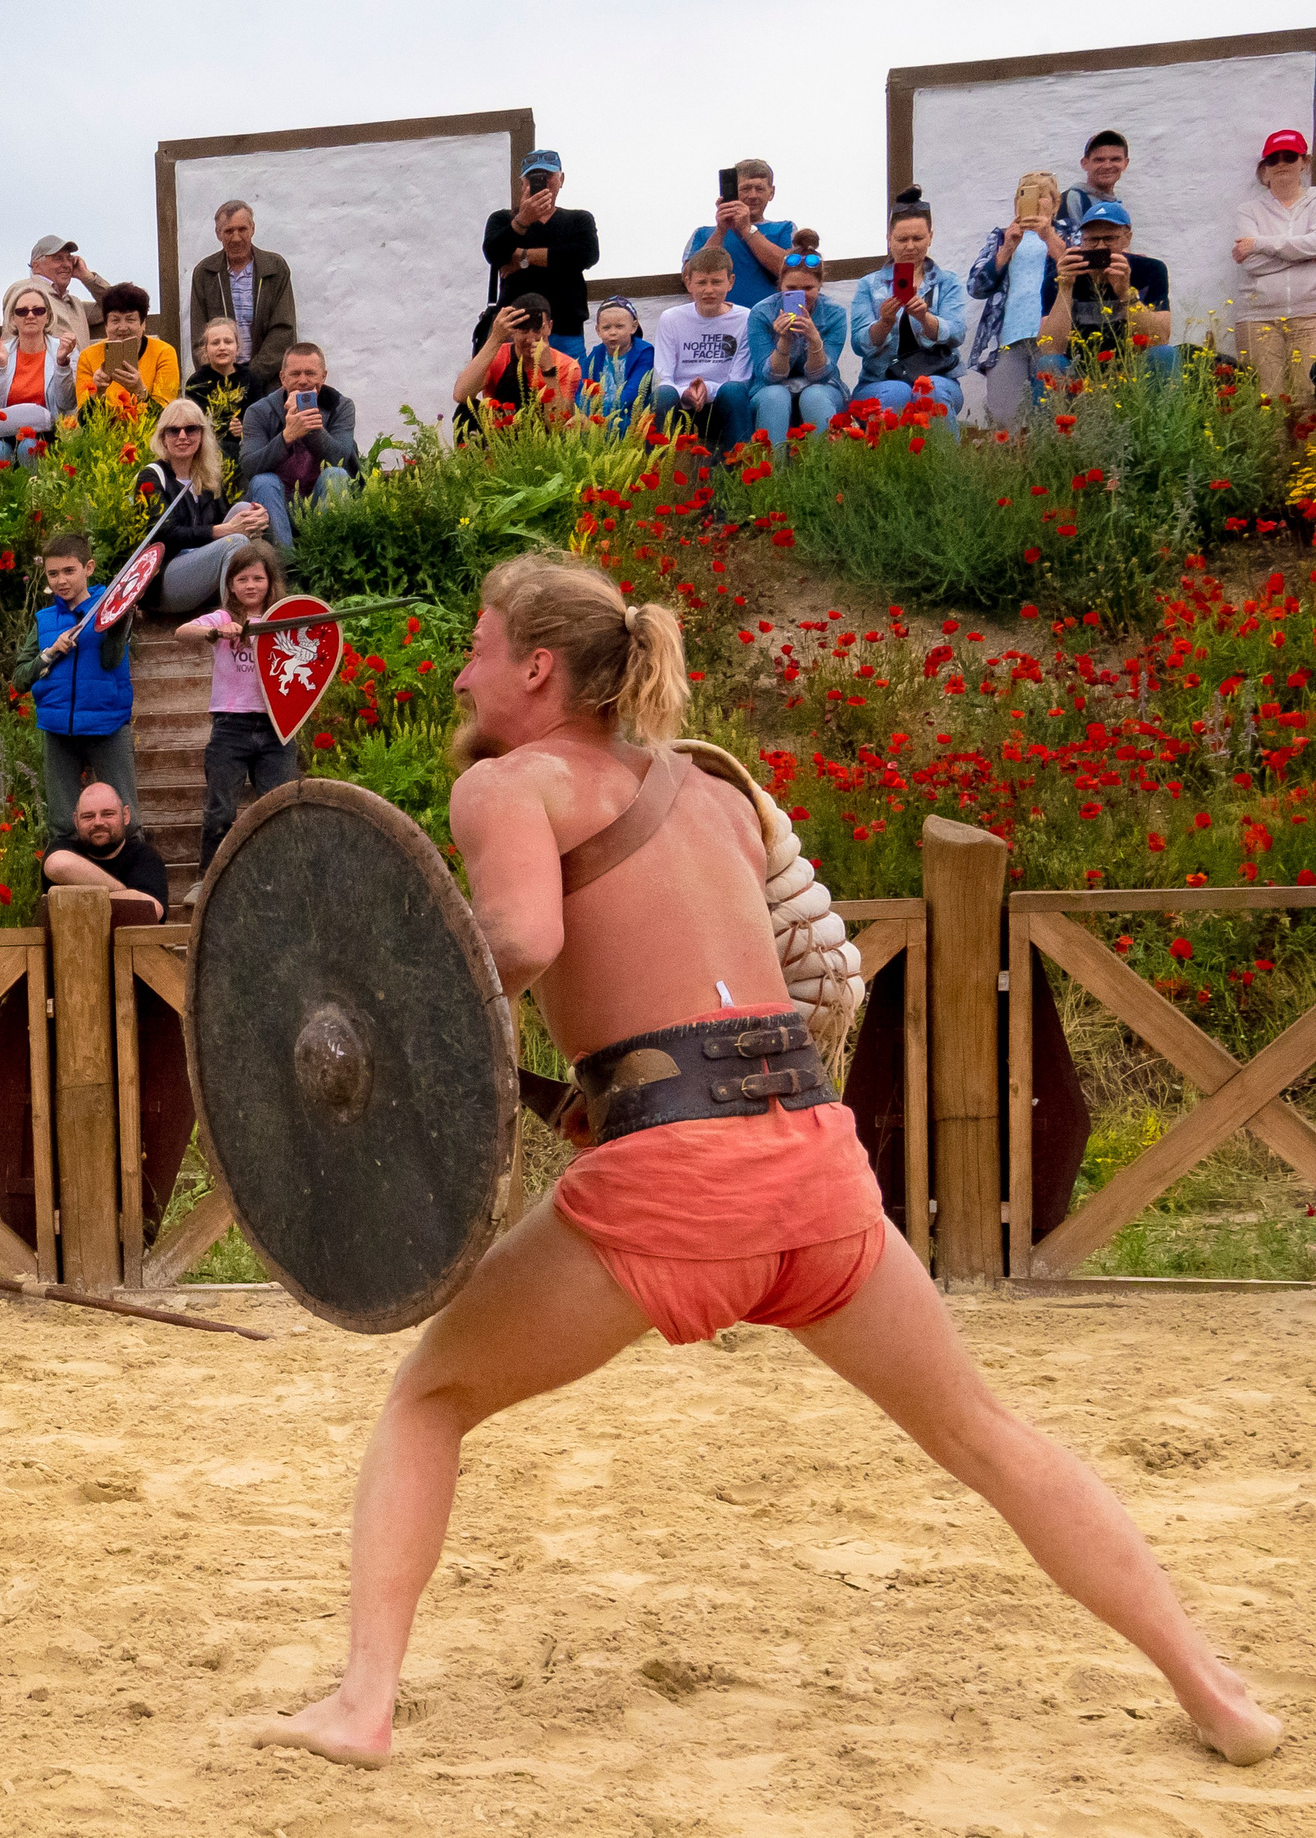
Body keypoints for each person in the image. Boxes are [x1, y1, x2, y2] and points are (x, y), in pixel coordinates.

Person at [255, 550, 1288, 1775]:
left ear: (536, 667)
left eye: (478, 646)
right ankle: (1213, 1688)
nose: (463, 670)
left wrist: (384, 1003)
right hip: (811, 1160)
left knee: (432, 1395)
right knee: (986, 1432)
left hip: (673, 1190)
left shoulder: (512, 786)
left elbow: (525, 938)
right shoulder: (714, 791)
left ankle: (362, 1702)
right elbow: (746, 984)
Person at [177, 539, 299, 875]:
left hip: (277, 727)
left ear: (270, 582)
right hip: (231, 726)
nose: (250, 585)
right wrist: (216, 631)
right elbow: (182, 631)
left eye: (257, 578)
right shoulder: (222, 617)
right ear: (231, 584)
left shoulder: (284, 618)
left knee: (280, 807)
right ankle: (209, 879)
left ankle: (283, 877)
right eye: (242, 579)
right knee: (220, 811)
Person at [9, 532, 137, 848]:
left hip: (107, 724)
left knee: (125, 820)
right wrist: (50, 653)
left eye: (69, 571)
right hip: (58, 730)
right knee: (63, 824)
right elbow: (19, 679)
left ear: (88, 567)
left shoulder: (112, 606)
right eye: (53, 574)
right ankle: (66, 889)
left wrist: (118, 626)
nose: (61, 580)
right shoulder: (44, 620)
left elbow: (110, 661)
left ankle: (136, 888)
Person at [133, 397, 269, 615]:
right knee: (234, 540)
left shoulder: (206, 475)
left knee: (244, 509)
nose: (183, 436)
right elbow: (164, 533)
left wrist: (258, 518)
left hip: (203, 568)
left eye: (191, 429)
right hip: (165, 579)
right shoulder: (151, 476)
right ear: (163, 438)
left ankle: (262, 601)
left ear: (202, 435)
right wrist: (223, 531)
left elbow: (228, 518)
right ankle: (238, 619)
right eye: (173, 431)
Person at [849, 190, 967, 419]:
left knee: (929, 389)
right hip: (879, 380)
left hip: (939, 376)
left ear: (930, 237)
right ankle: (893, 456)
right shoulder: (869, 285)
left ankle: (941, 456)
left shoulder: (947, 282)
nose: (910, 246)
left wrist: (925, 318)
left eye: (918, 238)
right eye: (902, 240)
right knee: (897, 392)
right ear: (889, 240)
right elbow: (858, 344)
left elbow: (957, 334)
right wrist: (884, 323)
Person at [967, 172, 1072, 428]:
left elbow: (1078, 273)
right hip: (1007, 340)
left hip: (1051, 335)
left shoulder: (1068, 235)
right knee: (1004, 421)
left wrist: (1048, 235)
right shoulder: (1002, 237)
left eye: (1041, 195)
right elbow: (976, 286)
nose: (1034, 201)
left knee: (1049, 418)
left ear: (1055, 203)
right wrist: (1006, 250)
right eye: (1025, 194)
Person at [1033, 200, 1172, 376]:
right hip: (1079, 371)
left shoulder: (1151, 270)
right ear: (1081, 241)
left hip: (1134, 370)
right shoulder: (1060, 276)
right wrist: (1066, 287)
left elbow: (1160, 339)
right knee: (1049, 363)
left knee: (1164, 354)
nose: (1100, 246)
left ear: (1127, 238)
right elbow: (1049, 347)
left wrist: (1126, 293)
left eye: (1109, 238)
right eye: (1092, 240)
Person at [239, 344, 354, 555]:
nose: (303, 381)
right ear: (283, 378)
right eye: (295, 374)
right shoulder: (258, 411)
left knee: (336, 475)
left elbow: (341, 458)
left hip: (319, 501)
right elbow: (250, 467)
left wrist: (311, 427)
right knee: (264, 481)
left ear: (323, 376)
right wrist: (286, 436)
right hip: (277, 504)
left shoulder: (340, 406)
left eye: (310, 373)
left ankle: (328, 563)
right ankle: (287, 568)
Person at [483, 152, 599, 360]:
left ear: (560, 179)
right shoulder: (503, 219)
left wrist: (522, 257)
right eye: (534, 177)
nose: (541, 182)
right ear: (522, 183)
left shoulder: (579, 219)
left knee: (568, 389)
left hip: (566, 328)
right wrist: (522, 221)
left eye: (547, 176)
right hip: (515, 329)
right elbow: (494, 253)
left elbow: (585, 255)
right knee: (510, 389)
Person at [1232, 129, 1316, 406]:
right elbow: (1251, 262)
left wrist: (1260, 243)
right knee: (1267, 404)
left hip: (1310, 316)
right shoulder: (1249, 210)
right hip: (1258, 319)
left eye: (1289, 157)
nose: (1281, 164)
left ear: (1304, 162)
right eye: (1273, 159)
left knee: (1309, 400)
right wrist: (1301, 252)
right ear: (1265, 167)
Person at [745, 231, 848, 451]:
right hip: (770, 386)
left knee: (815, 396)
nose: (800, 295)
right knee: (775, 396)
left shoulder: (834, 314)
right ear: (780, 285)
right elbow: (770, 377)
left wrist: (813, 338)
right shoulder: (761, 313)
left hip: (821, 385)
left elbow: (820, 374)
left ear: (820, 285)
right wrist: (784, 341)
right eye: (791, 289)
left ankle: (827, 475)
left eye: (808, 288)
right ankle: (773, 478)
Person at [186, 201, 299, 397]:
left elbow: (283, 330)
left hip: (269, 383)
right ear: (218, 233)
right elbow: (199, 335)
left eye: (242, 229)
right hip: (221, 385)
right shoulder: (205, 273)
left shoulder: (275, 268)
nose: (236, 237)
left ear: (252, 229)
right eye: (229, 231)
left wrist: (250, 375)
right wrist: (220, 376)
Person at [651, 247, 753, 452]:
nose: (708, 290)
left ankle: (742, 471)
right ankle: (657, 475)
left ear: (730, 282)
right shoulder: (671, 318)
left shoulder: (746, 318)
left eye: (716, 282)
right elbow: (662, 377)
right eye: (701, 282)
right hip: (681, 401)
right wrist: (687, 393)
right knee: (662, 394)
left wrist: (707, 389)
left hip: (722, 401)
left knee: (734, 391)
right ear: (688, 283)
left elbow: (740, 379)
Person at [454, 293, 585, 432]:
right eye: (523, 329)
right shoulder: (497, 354)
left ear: (549, 327)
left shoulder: (567, 365)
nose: (530, 339)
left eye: (536, 329)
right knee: (464, 412)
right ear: (512, 331)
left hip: (543, 442)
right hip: (499, 436)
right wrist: (495, 338)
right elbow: (461, 395)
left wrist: (548, 370)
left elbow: (558, 426)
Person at [0, 282, 75, 469]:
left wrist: (63, 364)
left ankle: (36, 498)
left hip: (51, 434)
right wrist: (1, 366)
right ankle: (0, 498)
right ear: (13, 318)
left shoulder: (63, 349)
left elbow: (67, 403)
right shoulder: (1, 352)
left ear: (47, 316)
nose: (30, 316)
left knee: (29, 447)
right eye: (22, 312)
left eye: (38, 310)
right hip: (7, 434)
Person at [41, 781, 168, 920]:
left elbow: (152, 910)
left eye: (108, 814)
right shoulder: (65, 848)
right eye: (88, 816)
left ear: (125, 816)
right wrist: (123, 893)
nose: (98, 822)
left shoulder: (144, 857)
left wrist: (81, 902)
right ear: (76, 821)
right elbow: (57, 865)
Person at [682, 159, 795, 309]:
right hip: (720, 323)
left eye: (759, 189)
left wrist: (746, 229)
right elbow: (688, 278)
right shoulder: (702, 234)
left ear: (771, 193)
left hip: (772, 322)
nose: (753, 195)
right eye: (745, 188)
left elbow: (792, 272)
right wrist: (721, 230)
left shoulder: (785, 229)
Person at [73, 283, 181, 415]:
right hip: (104, 434)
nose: (123, 328)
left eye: (130, 320)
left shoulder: (163, 352)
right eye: (115, 320)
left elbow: (166, 417)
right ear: (106, 325)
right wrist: (98, 392)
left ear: (143, 324)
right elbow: (84, 422)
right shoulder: (88, 356)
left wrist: (139, 390)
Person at [185, 318, 256, 469]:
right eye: (215, 343)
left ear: (237, 348)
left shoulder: (251, 378)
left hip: (246, 446)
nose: (222, 347)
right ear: (205, 349)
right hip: (209, 449)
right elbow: (197, 422)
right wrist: (226, 427)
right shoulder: (196, 382)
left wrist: (243, 426)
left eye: (228, 342)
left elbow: (258, 414)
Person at [581, 297, 654, 429]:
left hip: (630, 416)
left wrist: (601, 415)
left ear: (633, 327)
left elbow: (633, 391)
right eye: (606, 327)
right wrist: (584, 413)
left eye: (619, 326)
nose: (613, 332)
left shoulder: (645, 352)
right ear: (598, 330)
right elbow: (583, 388)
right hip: (597, 417)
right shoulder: (596, 354)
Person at [26, 235, 109, 351]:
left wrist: (87, 277)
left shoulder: (75, 305)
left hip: (79, 369)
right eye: (58, 259)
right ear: (36, 266)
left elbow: (121, 306)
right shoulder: (22, 291)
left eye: (69, 259)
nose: (66, 264)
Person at [1059, 131, 1129, 245]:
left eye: (1115, 159)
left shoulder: (1115, 204)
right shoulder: (1073, 199)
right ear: (1084, 163)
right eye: (1099, 160)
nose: (1107, 166)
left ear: (1125, 163)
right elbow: (1067, 248)